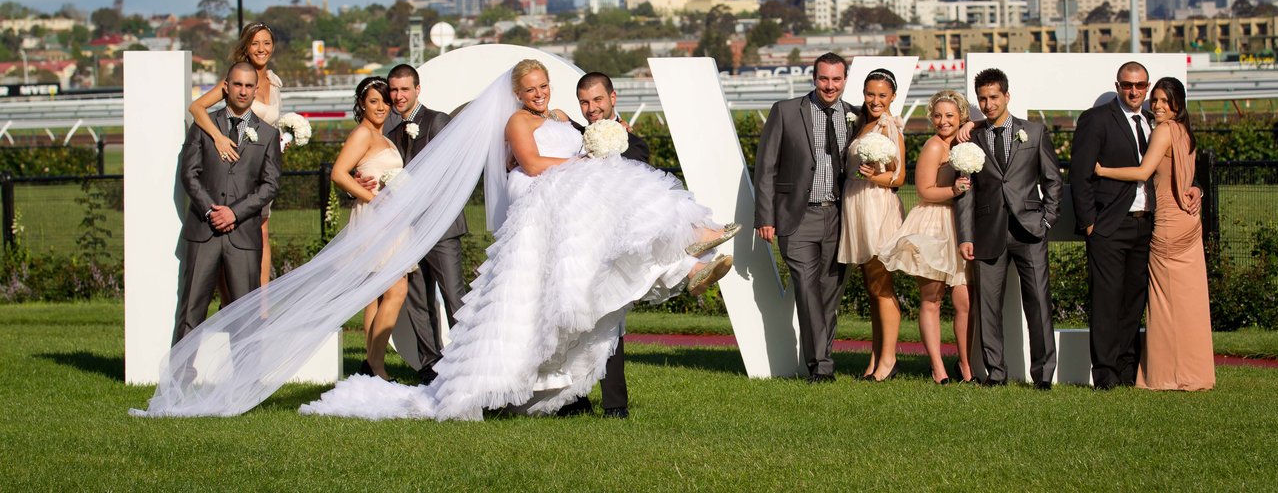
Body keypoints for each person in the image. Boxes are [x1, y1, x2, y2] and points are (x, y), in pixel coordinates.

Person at [135, 58, 737, 419]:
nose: (540, 99)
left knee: (614, 223)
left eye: (544, 91)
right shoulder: (515, 124)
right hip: (543, 200)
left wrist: (598, 143)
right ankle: (678, 258)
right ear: (516, 93)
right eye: (531, 93)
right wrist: (583, 163)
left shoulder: (563, 120)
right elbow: (528, 166)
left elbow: (580, 144)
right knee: (437, 300)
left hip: (568, 199)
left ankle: (686, 254)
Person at [555, 71, 666, 419]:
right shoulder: (572, 136)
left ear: (613, 98)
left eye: (598, 100)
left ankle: (615, 403)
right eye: (585, 102)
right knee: (572, 321)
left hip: (612, 245)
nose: (592, 109)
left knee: (609, 322)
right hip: (575, 242)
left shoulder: (635, 143)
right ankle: (572, 399)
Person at [1093, 77, 1215, 391]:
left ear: (1177, 103)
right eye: (1156, 100)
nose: (1157, 106)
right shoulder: (1185, 131)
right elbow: (1189, 175)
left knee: (1164, 306)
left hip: (1169, 226)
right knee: (1190, 304)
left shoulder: (1163, 130)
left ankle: (1166, 375)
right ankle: (1195, 371)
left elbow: (1142, 172)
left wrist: (1103, 170)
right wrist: (1197, 189)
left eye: (1164, 101)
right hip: (1190, 221)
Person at [355, 64, 468, 385]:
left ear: (418, 90)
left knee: (453, 296)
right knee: (418, 301)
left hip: (441, 227)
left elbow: (451, 170)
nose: (399, 96)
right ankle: (430, 366)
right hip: (405, 231)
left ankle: (463, 363)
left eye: (405, 89)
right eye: (394, 90)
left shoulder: (438, 121)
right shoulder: (387, 133)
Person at [954, 68, 1063, 389]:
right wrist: (965, 236)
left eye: (994, 98)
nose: (988, 104)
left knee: (1039, 306)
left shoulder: (1035, 132)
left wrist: (1047, 219)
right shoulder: (970, 139)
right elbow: (965, 192)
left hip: (1030, 230)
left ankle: (1043, 376)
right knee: (988, 307)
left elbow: (1053, 180)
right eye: (983, 99)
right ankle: (996, 374)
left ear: (1007, 97)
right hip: (987, 232)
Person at [754, 52, 852, 383]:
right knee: (808, 292)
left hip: (840, 219)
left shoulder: (853, 115)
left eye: (836, 79)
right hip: (796, 218)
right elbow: (766, 167)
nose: (830, 85)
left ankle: (819, 356)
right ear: (814, 78)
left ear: (844, 80)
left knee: (828, 296)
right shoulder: (786, 111)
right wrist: (765, 216)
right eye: (824, 78)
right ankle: (821, 367)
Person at [1071, 61, 1166, 389]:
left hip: (1146, 226)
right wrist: (1089, 223)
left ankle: (1128, 372)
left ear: (1147, 86)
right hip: (1108, 227)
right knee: (1106, 303)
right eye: (1128, 85)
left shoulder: (1155, 121)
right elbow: (1079, 175)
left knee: (1133, 302)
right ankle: (1106, 376)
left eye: (1140, 85)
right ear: (1117, 85)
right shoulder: (1096, 120)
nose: (1134, 91)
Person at [173, 61, 281, 345]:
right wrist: (211, 210)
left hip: (244, 234)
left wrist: (234, 213)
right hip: (203, 233)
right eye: (237, 85)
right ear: (226, 87)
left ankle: (247, 384)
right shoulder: (204, 127)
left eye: (248, 86)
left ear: (256, 90)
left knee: (246, 315)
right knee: (190, 311)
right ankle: (180, 381)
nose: (243, 91)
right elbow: (189, 174)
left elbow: (270, 184)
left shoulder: (268, 135)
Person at [878, 90, 974, 384]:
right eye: (938, 116)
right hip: (934, 222)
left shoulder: (967, 141)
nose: (943, 122)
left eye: (950, 116)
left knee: (964, 302)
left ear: (961, 118)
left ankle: (966, 364)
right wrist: (954, 191)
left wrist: (974, 128)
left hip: (961, 225)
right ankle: (938, 367)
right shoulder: (933, 147)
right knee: (931, 299)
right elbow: (924, 190)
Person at [330, 77, 415, 381]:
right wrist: (373, 198)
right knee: (397, 288)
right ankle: (376, 365)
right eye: (373, 102)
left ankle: (372, 365)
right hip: (375, 219)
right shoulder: (363, 134)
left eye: (384, 101)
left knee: (375, 294)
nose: (381, 107)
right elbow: (338, 173)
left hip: (392, 221)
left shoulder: (384, 137)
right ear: (362, 104)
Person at [187, 22, 283, 289]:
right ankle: (233, 300)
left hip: (260, 168)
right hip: (234, 170)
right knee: (240, 233)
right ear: (245, 46)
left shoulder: (274, 83)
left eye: (266, 43)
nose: (261, 49)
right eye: (255, 43)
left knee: (262, 233)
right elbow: (197, 108)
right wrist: (218, 137)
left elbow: (271, 126)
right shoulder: (238, 79)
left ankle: (260, 301)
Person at [836, 68, 906, 382]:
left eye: (882, 95)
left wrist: (872, 177)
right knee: (872, 288)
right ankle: (875, 358)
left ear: (892, 97)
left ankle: (889, 360)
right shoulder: (863, 123)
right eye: (870, 94)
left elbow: (899, 176)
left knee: (882, 286)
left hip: (876, 208)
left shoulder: (889, 125)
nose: (875, 100)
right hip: (857, 207)